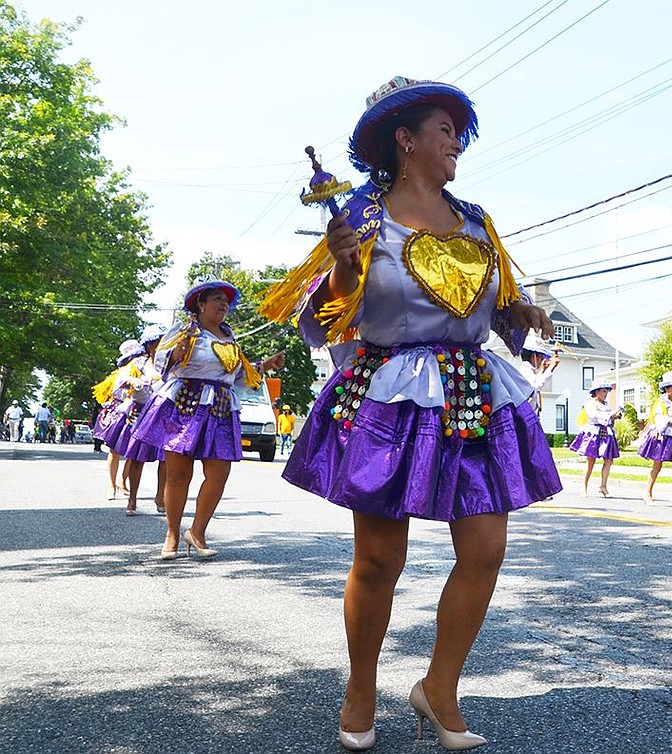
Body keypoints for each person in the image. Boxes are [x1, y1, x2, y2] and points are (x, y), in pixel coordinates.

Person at [264, 76, 561, 752]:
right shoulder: (363, 218)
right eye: (444, 130)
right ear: (406, 139)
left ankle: (439, 687)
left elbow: (491, 307)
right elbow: (328, 320)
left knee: (485, 550)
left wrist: (520, 313)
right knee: (379, 559)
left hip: (472, 391)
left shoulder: (478, 220)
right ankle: (361, 686)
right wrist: (341, 269)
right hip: (391, 395)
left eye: (459, 132)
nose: (456, 143)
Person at [131, 277, 285, 560]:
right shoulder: (184, 330)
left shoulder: (230, 337)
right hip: (185, 404)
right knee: (178, 475)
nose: (224, 304)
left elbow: (238, 376)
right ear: (200, 304)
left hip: (221, 408)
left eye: (226, 301)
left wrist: (264, 365)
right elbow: (161, 365)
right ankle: (172, 535)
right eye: (217, 299)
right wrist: (178, 351)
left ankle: (198, 532)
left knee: (218, 474)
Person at [120, 324, 168, 515]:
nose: (163, 345)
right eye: (159, 341)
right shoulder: (138, 364)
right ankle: (132, 499)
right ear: (150, 345)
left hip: (164, 415)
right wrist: (133, 381)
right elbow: (120, 381)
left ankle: (160, 497)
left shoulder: (172, 363)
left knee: (165, 459)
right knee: (136, 458)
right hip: (140, 415)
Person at [92, 339, 144, 501]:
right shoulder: (123, 372)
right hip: (119, 411)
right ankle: (111, 485)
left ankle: (122, 480)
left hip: (137, 410)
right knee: (114, 450)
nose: (138, 358)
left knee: (133, 450)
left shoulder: (146, 368)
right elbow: (114, 391)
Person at [639, 371, 672, 505]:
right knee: (657, 465)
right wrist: (671, 420)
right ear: (666, 388)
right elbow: (658, 417)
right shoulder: (661, 402)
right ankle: (647, 493)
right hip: (663, 436)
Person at [569, 378, 621, 498]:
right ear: (596, 392)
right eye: (603, 391)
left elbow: (607, 418)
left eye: (606, 391)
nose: (605, 393)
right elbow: (594, 416)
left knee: (609, 460)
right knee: (591, 460)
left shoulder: (606, 405)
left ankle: (603, 486)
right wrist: (610, 415)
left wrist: (614, 417)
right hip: (594, 432)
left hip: (606, 432)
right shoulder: (591, 404)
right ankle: (584, 485)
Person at [516, 333, 559, 413]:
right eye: (541, 356)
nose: (542, 359)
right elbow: (535, 386)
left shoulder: (529, 371)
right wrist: (550, 368)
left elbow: (536, 381)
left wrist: (543, 370)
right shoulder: (525, 370)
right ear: (534, 356)